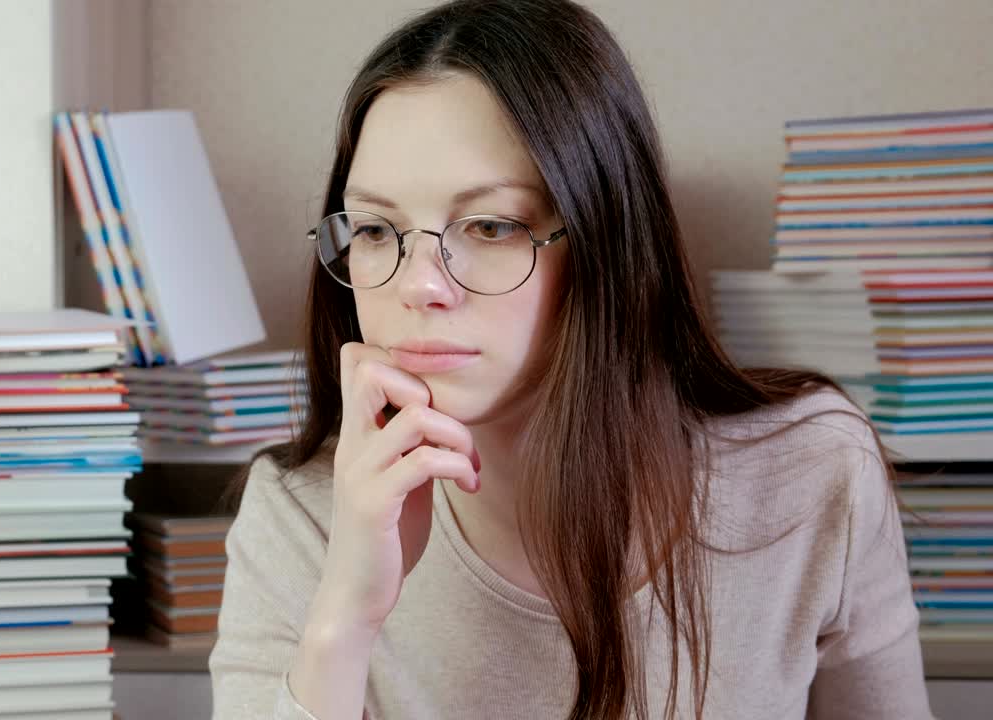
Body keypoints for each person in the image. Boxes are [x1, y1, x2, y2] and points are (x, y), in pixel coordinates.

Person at [208, 1, 930, 718]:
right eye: (372, 228)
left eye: (490, 226)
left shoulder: (813, 474)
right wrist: (344, 621)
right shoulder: (299, 517)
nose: (418, 284)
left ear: (604, 242)